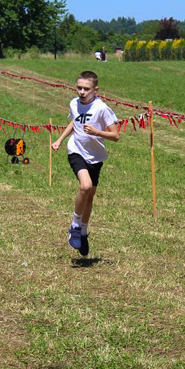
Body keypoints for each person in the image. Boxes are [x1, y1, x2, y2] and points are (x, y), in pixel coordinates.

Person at [51, 70, 119, 256]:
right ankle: (74, 225)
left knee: (89, 198)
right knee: (85, 186)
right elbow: (74, 122)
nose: (81, 92)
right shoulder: (74, 103)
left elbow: (115, 135)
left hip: (95, 156)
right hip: (76, 150)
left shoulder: (102, 109)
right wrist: (60, 140)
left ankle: (83, 232)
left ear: (96, 89)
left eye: (86, 89)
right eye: (79, 88)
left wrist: (97, 132)